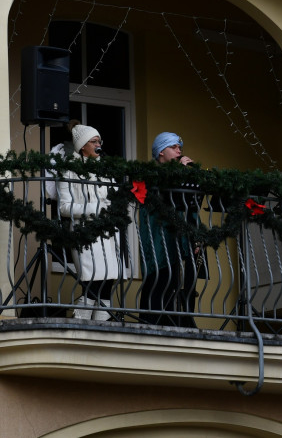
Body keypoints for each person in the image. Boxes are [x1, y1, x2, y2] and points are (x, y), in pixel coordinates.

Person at [56, 124, 128, 321]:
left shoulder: (105, 169)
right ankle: (81, 320)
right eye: (94, 141)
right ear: (82, 146)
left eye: (99, 141)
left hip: (108, 231)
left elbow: (113, 197)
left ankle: (103, 321)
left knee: (108, 279)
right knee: (93, 279)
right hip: (85, 231)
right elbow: (64, 207)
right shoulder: (69, 170)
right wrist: (95, 209)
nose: (98, 145)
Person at [137, 132, 200, 327]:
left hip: (178, 239)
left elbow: (191, 208)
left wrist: (195, 237)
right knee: (158, 280)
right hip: (158, 238)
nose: (179, 150)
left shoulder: (182, 176)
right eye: (174, 147)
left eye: (180, 147)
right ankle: (150, 324)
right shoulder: (150, 176)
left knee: (176, 284)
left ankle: (174, 323)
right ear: (161, 153)